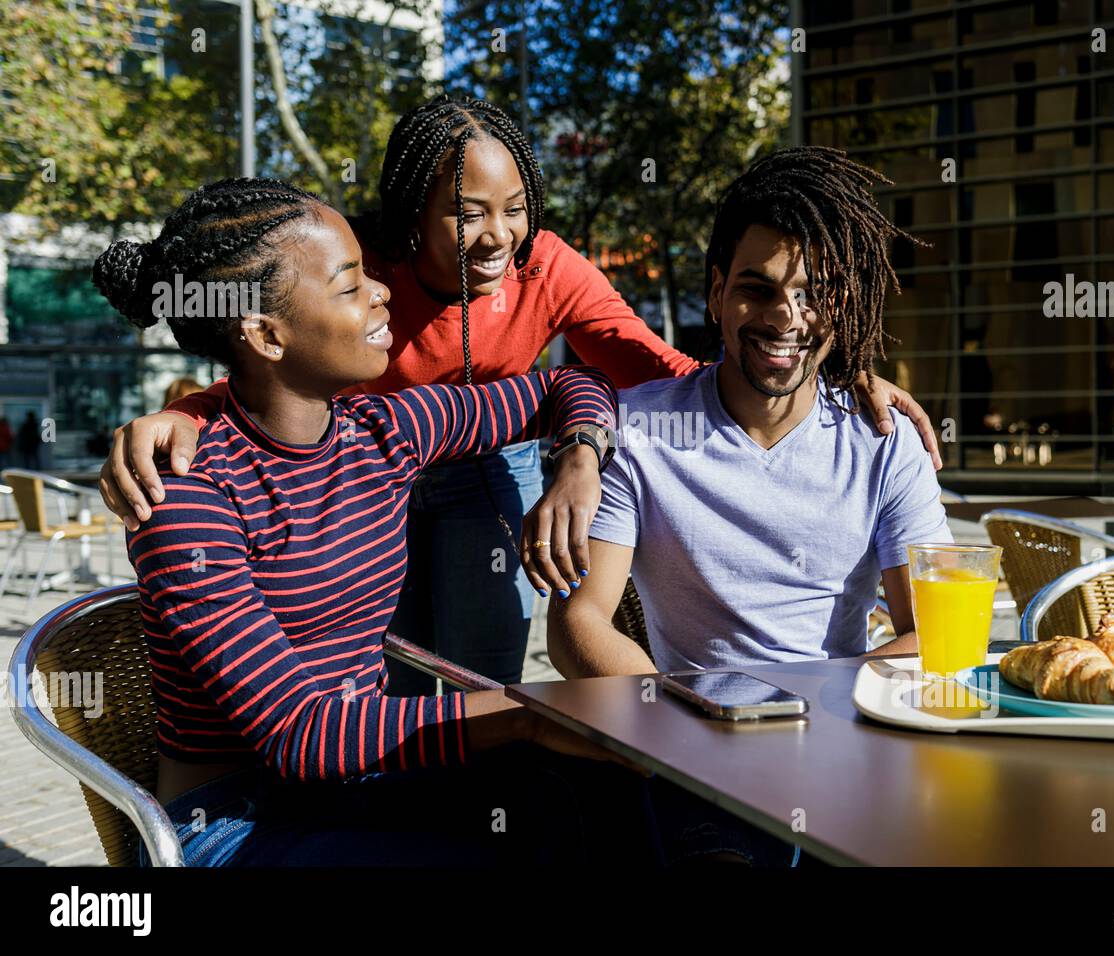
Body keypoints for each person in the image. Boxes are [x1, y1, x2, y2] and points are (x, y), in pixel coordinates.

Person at [95, 96, 941, 690]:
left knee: (472, 663)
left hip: (484, 461)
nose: (498, 233)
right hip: (365, 469)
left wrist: (814, 371)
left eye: (516, 207)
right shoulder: (364, 281)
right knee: (366, 663)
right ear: (413, 213)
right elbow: (261, 358)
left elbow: (650, 364)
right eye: (467, 211)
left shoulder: (548, 268)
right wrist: (180, 414)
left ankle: (455, 791)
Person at [91, 176, 659, 866]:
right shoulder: (186, 495)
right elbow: (300, 734)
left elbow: (570, 382)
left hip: (367, 784)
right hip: (237, 824)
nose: (382, 293)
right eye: (350, 284)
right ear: (266, 334)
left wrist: (578, 457)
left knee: (613, 792)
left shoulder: (385, 430)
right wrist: (529, 718)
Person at [548, 146, 954, 679]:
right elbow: (578, 621)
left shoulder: (886, 440)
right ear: (717, 295)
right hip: (691, 741)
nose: (786, 316)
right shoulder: (637, 433)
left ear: (845, 303)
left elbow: (937, 633)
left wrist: (810, 710)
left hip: (845, 735)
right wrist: (679, 719)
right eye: (758, 290)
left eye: (815, 293)